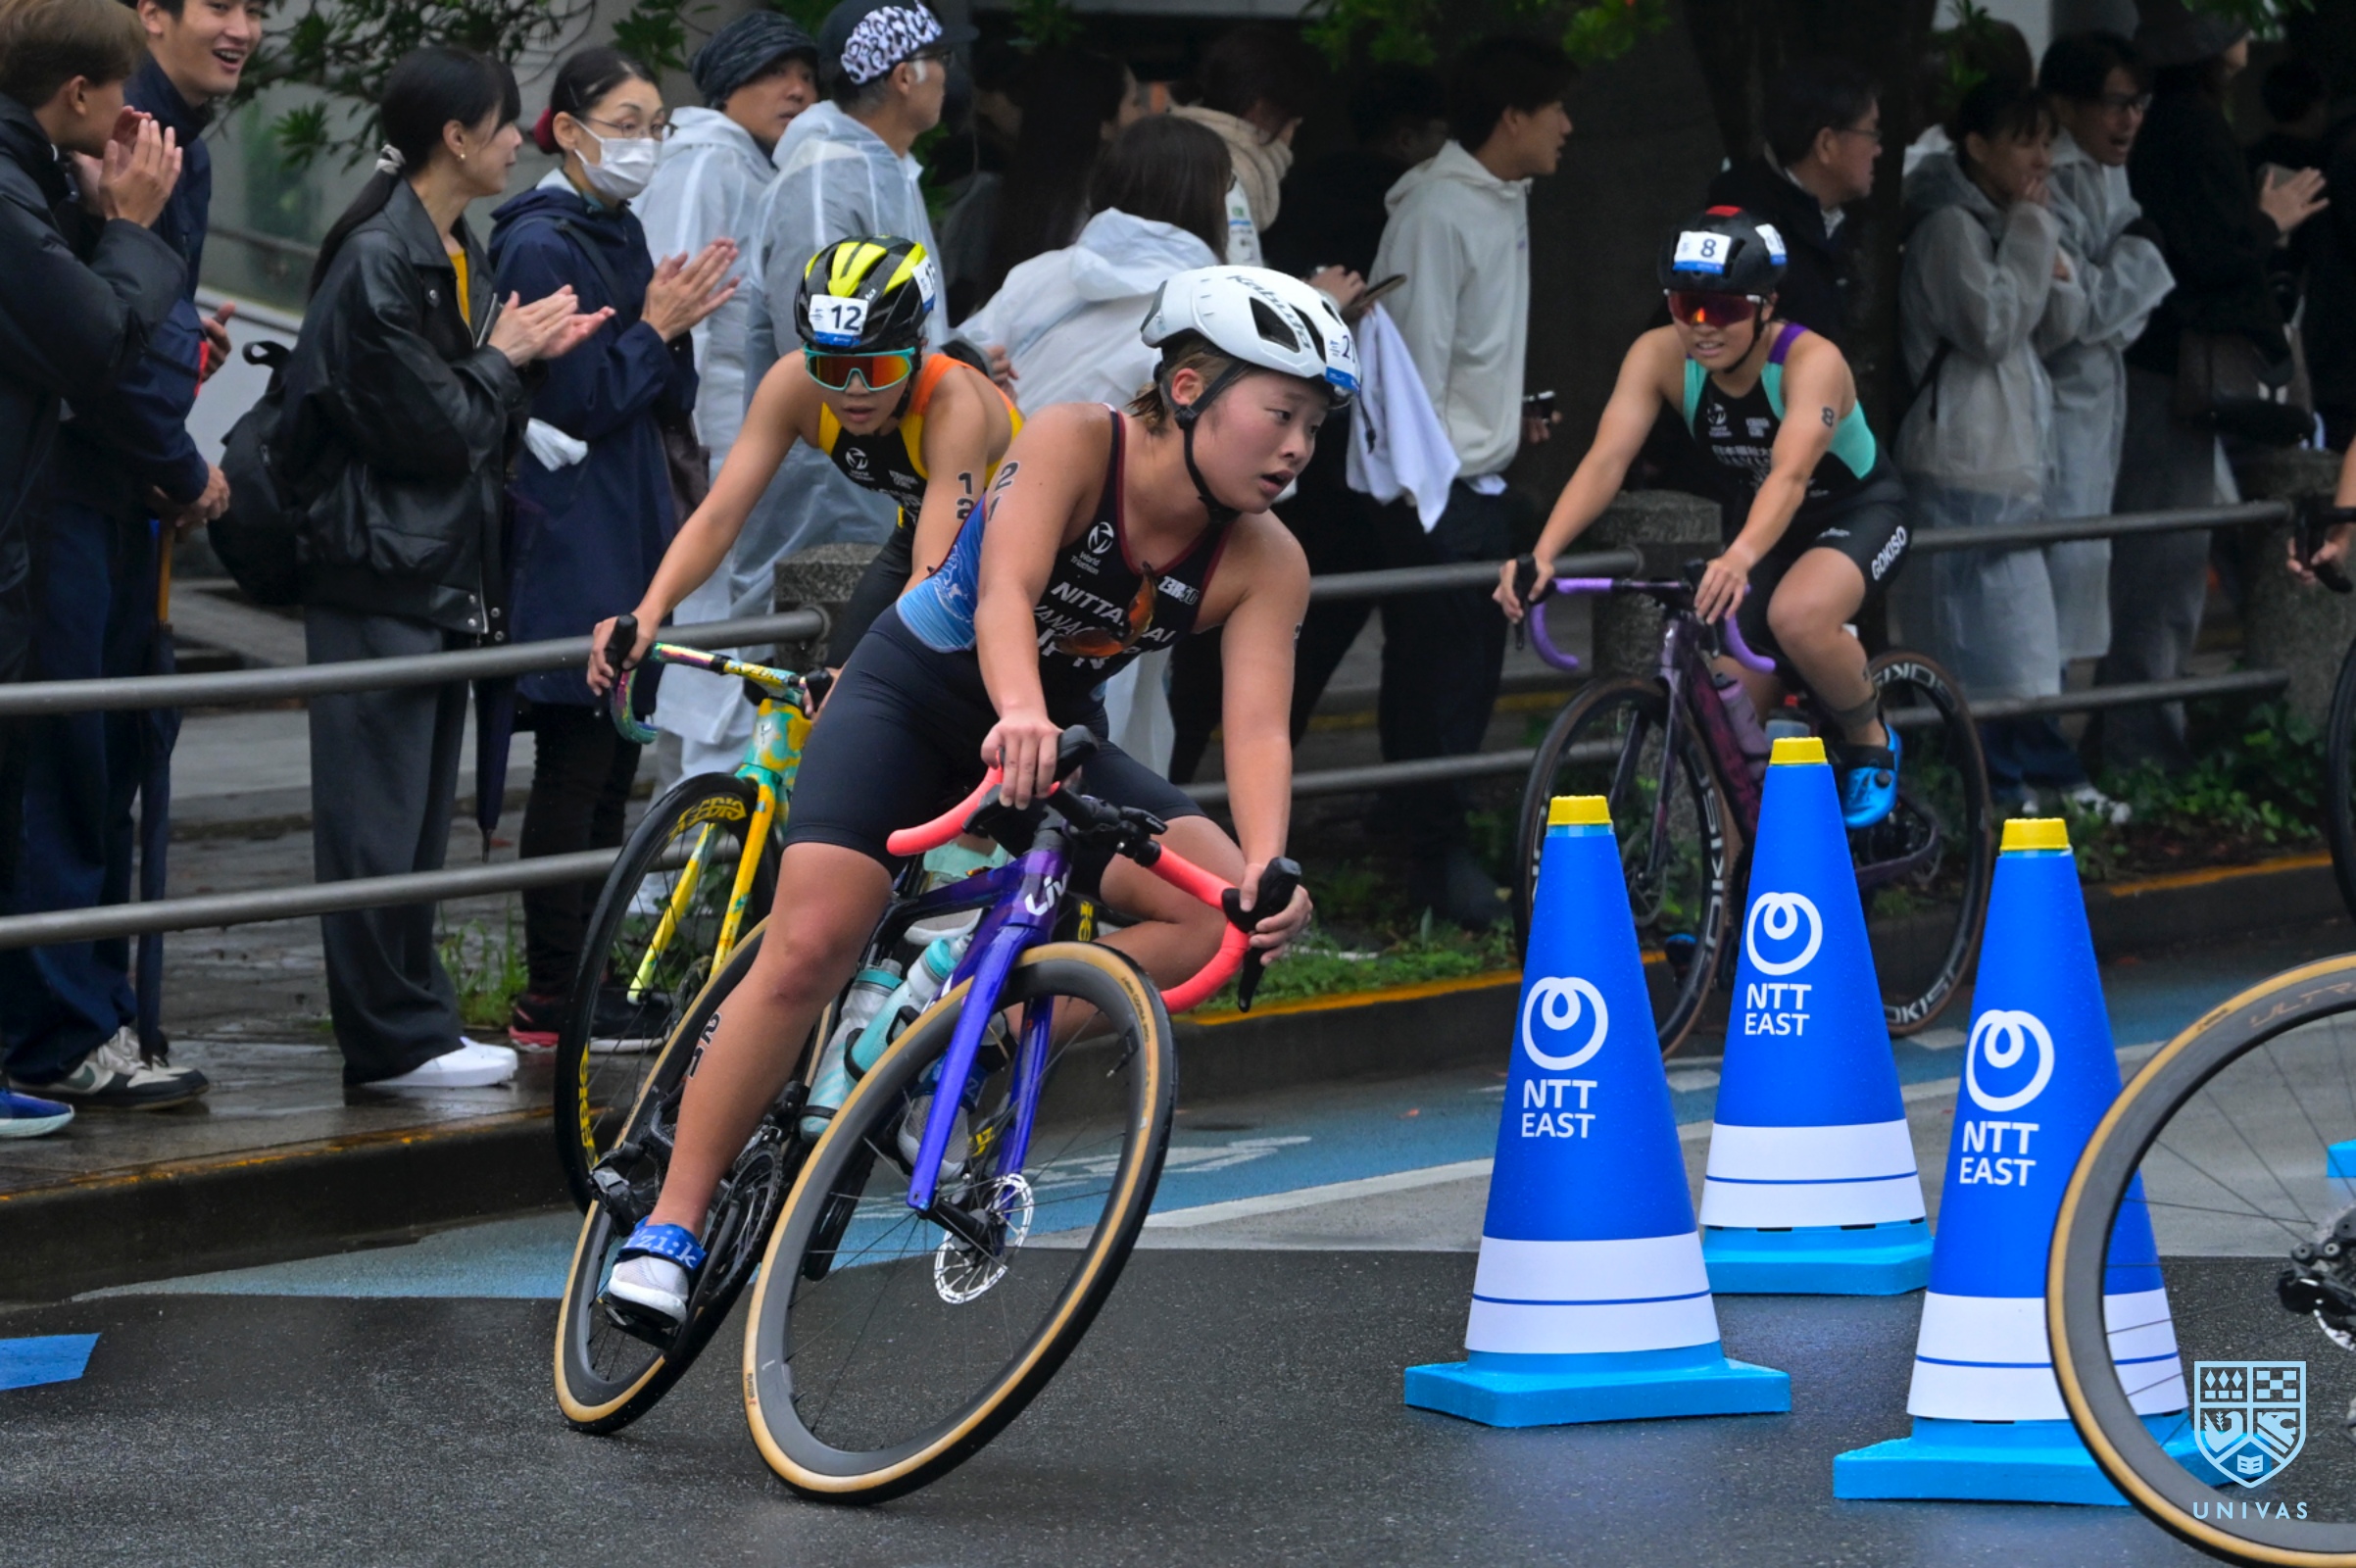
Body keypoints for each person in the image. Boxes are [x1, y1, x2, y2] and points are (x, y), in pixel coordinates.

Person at [587, 266, 1344, 1331]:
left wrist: (1266, 864)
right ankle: (672, 1223)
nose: (1298, 446)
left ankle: (956, 1037)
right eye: (1280, 413)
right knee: (813, 944)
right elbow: (1004, 594)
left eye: (1314, 425)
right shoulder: (1076, 440)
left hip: (1048, 737)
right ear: (1187, 389)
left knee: (1214, 914)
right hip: (914, 697)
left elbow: (1259, 725)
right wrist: (1019, 711)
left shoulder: (1267, 559)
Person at [278, 46, 607, 1091]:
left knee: (413, 823)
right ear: (455, 138)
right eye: (505, 124)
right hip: (378, 566)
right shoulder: (382, 255)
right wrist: (507, 358)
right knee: (377, 822)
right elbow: (431, 427)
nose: (519, 140)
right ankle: (392, 1038)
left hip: (431, 566)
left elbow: (465, 412)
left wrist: (517, 359)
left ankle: (413, 1026)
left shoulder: (450, 246)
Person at [0, 0, 254, 1113]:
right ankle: (60, 1026)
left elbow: (129, 325)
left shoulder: (124, 145)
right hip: (65, 502)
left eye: (259, 10)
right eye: (221, 6)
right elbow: (95, 339)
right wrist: (177, 460)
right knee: (67, 766)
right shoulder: (94, 154)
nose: (243, 30)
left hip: (95, 496)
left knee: (102, 762)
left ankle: (85, 1015)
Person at [1497, 208, 1909, 829]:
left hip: (1858, 511)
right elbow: (1608, 459)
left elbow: (1790, 474)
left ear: (1767, 306)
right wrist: (1544, 552)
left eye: (1724, 308)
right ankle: (1733, 881)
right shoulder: (1658, 355)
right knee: (1723, 725)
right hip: (1766, 527)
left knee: (1797, 615)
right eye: (1685, 305)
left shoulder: (1810, 360)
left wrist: (1738, 557)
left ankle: (1869, 736)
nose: (1702, 326)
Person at [490, 48, 737, 1047]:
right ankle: (557, 995)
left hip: (630, 524)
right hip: (572, 534)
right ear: (567, 130)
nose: (645, 145)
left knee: (609, 767)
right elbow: (575, 400)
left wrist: (668, 330)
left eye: (655, 127)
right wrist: (654, 326)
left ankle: (591, 983)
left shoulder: (618, 228)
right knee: (575, 763)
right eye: (626, 125)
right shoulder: (536, 243)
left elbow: (657, 389)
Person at [679, 0, 966, 780]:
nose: (947, 78)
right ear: (905, 74)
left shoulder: (874, 163)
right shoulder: (827, 176)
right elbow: (828, 360)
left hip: (882, 492)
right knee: (778, 729)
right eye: (939, 61)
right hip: (828, 498)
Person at [1365, 35, 1571, 928]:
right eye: (1556, 108)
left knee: (1456, 676)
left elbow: (1464, 354)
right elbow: (1411, 370)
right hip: (1438, 491)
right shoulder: (1437, 211)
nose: (1568, 125)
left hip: (1474, 482)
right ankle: (1433, 857)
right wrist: (1439, 482)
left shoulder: (1503, 196)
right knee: (1440, 680)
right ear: (1513, 117)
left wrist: (1504, 415)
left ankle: (1428, 842)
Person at [955, 114, 1231, 771]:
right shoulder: (1209, 308)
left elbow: (956, 371)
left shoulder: (1039, 274)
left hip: (992, 526)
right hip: (1122, 560)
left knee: (982, 731)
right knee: (1101, 746)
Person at [623, 235, 1017, 690]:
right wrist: (647, 612)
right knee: (834, 698)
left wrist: (859, 678)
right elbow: (718, 517)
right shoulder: (793, 385)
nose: (854, 390)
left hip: (1018, 550)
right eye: (831, 368)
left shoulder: (953, 407)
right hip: (922, 538)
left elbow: (934, 572)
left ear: (918, 351)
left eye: (877, 369)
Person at [2096, 8, 2326, 774]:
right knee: (2164, 564)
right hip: (2176, 373)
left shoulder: (2168, 124)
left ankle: (2133, 733)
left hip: (2159, 368)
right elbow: (2214, 253)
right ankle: (2141, 746)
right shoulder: (2191, 129)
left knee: (2164, 559)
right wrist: (2266, 221)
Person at [1895, 77, 2093, 816]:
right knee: (1988, 646)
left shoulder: (2009, 221)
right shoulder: (1949, 229)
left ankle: (2031, 783)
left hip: (2006, 459)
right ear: (1977, 147)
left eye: (2047, 141)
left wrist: (2043, 246)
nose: (2041, 158)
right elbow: (1992, 326)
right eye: (2023, 141)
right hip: (1961, 459)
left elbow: (2061, 325)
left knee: (2019, 644)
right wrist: (2034, 236)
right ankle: (2012, 788)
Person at [2037, 31, 2172, 818]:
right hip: (2049, 416)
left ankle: (2055, 767)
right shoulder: (2049, 178)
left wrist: (2120, 277)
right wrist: (2137, 263)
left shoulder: (2106, 174)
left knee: (2077, 592)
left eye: (2138, 104)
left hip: (2091, 409)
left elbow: (2108, 310)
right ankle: (2044, 773)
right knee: (2045, 602)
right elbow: (2082, 313)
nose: (2130, 121)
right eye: (2116, 103)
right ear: (2065, 104)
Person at [1703, 57, 1879, 351]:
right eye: (1871, 132)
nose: (1878, 149)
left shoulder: (1825, 224)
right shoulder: (1746, 242)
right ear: (1826, 144)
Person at [976, 45, 1141, 303]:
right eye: (1135, 102)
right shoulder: (1107, 206)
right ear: (1103, 123)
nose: (1144, 114)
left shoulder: (1013, 195)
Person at [1173, 25, 1322, 269]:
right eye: (1293, 123)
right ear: (1260, 110)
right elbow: (1235, 282)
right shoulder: (1225, 177)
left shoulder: (1174, 153)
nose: (1290, 139)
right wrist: (1320, 290)